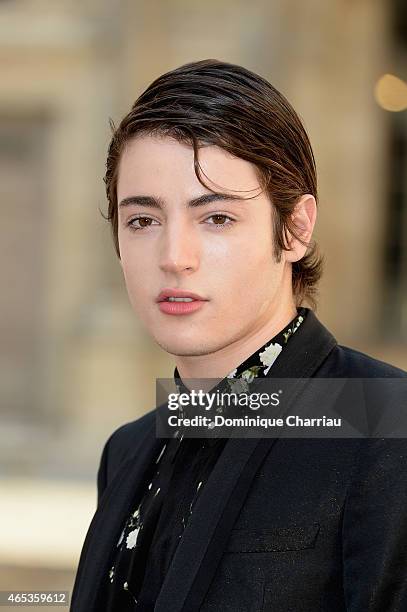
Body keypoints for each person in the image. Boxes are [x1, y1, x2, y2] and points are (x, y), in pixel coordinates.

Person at [71, 59, 407, 611]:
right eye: (142, 220)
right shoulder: (127, 451)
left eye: (217, 218)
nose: (174, 258)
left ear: (296, 228)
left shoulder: (387, 428)